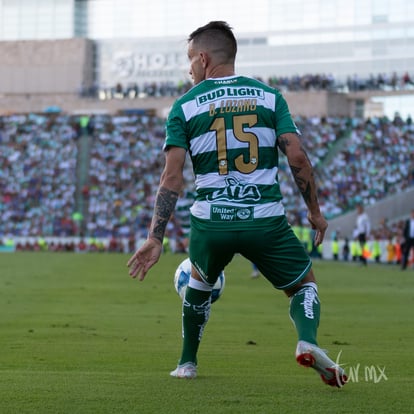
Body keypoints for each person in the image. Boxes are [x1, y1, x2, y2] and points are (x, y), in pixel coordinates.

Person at [127, 21, 347, 387]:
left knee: (198, 282)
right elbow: (298, 157)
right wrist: (315, 212)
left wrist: (155, 237)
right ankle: (306, 341)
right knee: (303, 284)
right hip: (265, 220)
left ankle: (186, 364)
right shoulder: (270, 97)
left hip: (212, 222)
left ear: (202, 58)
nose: (189, 69)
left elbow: (171, 177)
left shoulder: (184, 106)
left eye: (189, 61)